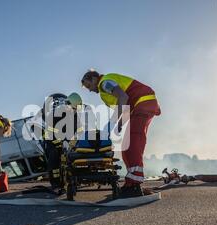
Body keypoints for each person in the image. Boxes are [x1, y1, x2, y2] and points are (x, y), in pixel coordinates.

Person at [81, 70, 161, 198]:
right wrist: (119, 124)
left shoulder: (105, 83)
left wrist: (114, 123)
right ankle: (131, 184)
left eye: (88, 86)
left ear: (94, 78)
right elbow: (125, 104)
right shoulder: (105, 86)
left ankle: (134, 185)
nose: (90, 90)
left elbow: (123, 97)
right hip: (140, 106)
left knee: (133, 144)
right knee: (126, 146)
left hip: (142, 103)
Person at [40, 93, 85, 193]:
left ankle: (74, 179)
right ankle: (56, 184)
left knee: (74, 156)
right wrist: (59, 143)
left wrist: (74, 142)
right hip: (53, 142)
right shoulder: (54, 114)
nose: (74, 111)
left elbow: (80, 130)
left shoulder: (75, 115)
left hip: (68, 141)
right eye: (73, 108)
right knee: (54, 156)